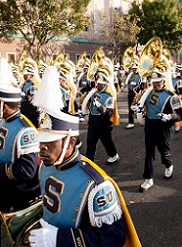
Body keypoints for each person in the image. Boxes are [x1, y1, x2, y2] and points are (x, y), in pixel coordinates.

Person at [28, 68, 141, 247]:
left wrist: (59, 239)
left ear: (70, 142)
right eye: (41, 141)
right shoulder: (45, 165)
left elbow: (113, 238)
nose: (41, 147)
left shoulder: (97, 186)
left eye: (49, 142)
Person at [0, 58, 40, 247]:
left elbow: (27, 171)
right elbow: (2, 150)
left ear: (4, 104)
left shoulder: (25, 131)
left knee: (32, 237)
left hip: (23, 190)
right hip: (3, 184)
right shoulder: (3, 121)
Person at [138, 70, 182, 192]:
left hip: (164, 126)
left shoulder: (171, 96)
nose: (155, 84)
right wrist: (136, 108)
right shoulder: (147, 93)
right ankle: (148, 178)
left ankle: (168, 165)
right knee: (149, 152)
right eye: (153, 82)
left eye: (158, 82)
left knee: (164, 151)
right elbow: (141, 105)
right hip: (150, 125)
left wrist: (170, 117)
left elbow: (180, 115)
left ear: (163, 81)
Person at [83, 69, 119, 164]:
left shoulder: (109, 97)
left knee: (107, 142)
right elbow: (88, 104)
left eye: (101, 84)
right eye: (98, 84)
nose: (99, 86)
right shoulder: (93, 93)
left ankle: (113, 154)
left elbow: (109, 113)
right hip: (93, 121)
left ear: (106, 85)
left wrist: (100, 107)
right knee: (90, 142)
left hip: (104, 123)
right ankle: (89, 163)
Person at [124, 62, 141, 129]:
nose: (134, 70)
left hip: (137, 93)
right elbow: (127, 82)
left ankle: (142, 119)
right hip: (131, 92)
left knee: (139, 107)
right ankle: (131, 122)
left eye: (135, 68)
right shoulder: (131, 75)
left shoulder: (140, 75)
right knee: (130, 107)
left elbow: (142, 85)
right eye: (133, 68)